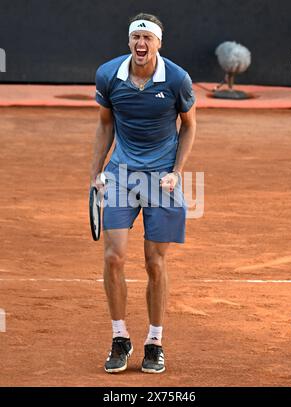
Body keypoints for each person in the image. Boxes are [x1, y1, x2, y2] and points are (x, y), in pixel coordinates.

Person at [90, 12, 196, 374]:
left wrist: (176, 173)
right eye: (136, 37)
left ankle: (155, 341)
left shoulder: (177, 79)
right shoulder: (109, 75)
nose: (141, 44)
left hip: (161, 180)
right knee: (113, 257)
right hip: (121, 176)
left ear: (158, 44)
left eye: (148, 38)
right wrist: (96, 172)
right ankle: (120, 337)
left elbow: (189, 126)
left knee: (155, 262)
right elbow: (105, 125)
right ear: (130, 41)